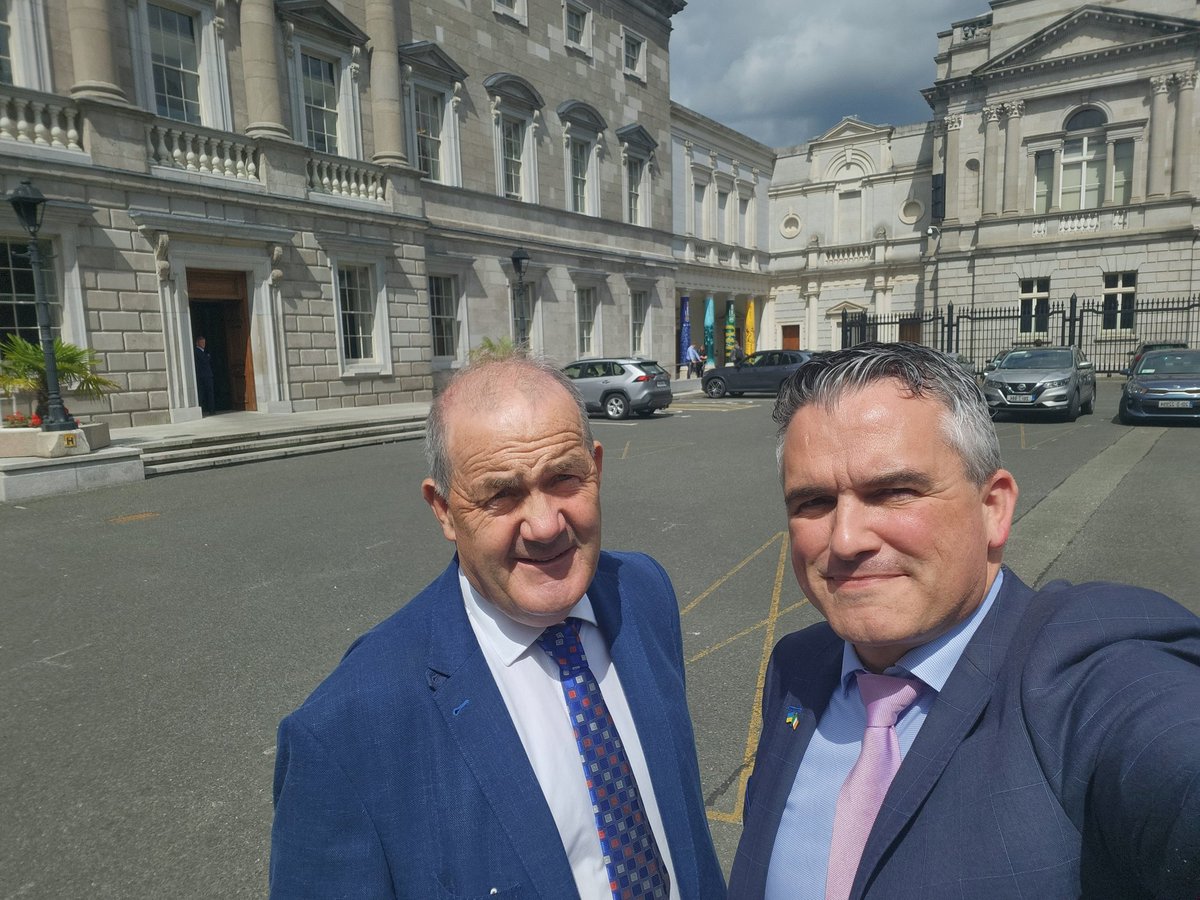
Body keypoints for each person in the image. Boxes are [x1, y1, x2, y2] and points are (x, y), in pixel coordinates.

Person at [728, 342, 1200, 900]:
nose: (846, 539)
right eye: (813, 502)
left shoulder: (1084, 673)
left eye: (895, 491)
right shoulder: (798, 666)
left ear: (993, 508)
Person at [270, 353, 726, 900]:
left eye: (564, 478)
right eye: (501, 494)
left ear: (596, 470)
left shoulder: (644, 592)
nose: (544, 525)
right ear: (443, 510)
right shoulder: (348, 728)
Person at [193, 335, 214, 415]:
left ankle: (211, 409)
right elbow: (204, 360)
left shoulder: (204, 351)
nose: (203, 344)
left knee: (209, 393)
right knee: (203, 393)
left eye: (204, 342)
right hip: (203, 376)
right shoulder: (197, 351)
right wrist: (207, 357)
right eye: (202, 342)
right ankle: (207, 410)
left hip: (207, 375)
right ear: (197, 343)